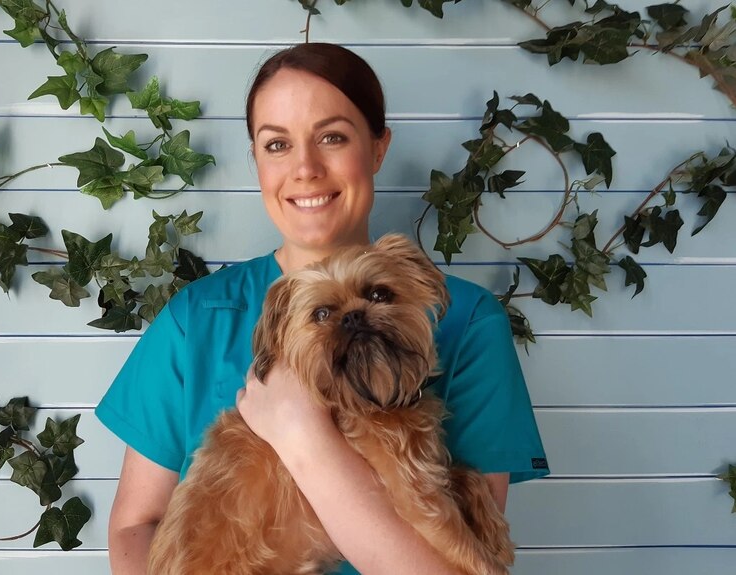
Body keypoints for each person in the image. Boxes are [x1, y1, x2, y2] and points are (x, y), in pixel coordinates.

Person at [96, 42, 549, 575]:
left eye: (332, 137)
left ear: (379, 148)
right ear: (257, 163)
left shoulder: (467, 321)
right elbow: (134, 527)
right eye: (277, 144)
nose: (306, 168)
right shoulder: (196, 317)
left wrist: (300, 433)